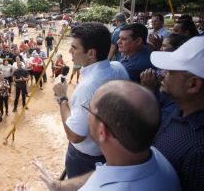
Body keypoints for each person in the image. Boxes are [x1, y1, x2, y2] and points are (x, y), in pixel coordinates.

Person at [35, 80, 181, 191]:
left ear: (102, 131)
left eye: (89, 110)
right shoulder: (154, 156)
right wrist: (59, 186)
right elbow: (105, 173)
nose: (86, 116)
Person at [53, 22, 129, 178]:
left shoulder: (87, 87)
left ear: (91, 53)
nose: (69, 51)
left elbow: (75, 135)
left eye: (74, 48)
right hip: (110, 151)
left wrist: (62, 98)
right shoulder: (118, 67)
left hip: (85, 159)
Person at [150, 36, 204, 190]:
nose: (162, 73)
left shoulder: (199, 151)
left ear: (193, 84)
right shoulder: (180, 110)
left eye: (170, 71)